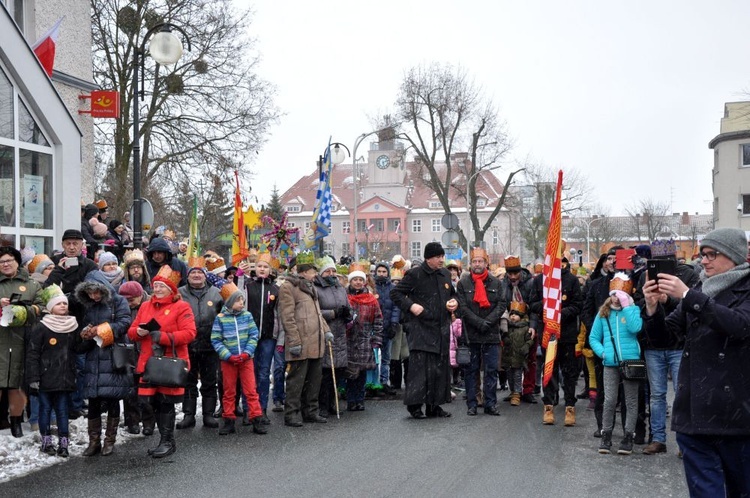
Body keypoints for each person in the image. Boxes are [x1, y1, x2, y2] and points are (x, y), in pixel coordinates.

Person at [643, 228, 750, 496]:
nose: (704, 261)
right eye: (703, 255)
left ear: (734, 257)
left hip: (737, 415)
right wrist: (652, 307)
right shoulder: (701, 287)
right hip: (695, 414)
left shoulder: (743, 289)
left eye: (712, 254)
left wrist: (689, 296)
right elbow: (665, 337)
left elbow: (739, 325)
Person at [634, 239, 700, 455]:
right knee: (657, 395)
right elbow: (639, 304)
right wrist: (651, 301)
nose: (661, 264)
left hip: (679, 343)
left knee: (683, 393)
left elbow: (692, 305)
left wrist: (667, 300)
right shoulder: (645, 274)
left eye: (665, 260)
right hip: (654, 344)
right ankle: (658, 438)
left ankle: (684, 441)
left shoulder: (688, 275)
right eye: (657, 261)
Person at [127, 266, 197, 458]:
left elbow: (190, 333)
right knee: (152, 402)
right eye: (155, 285)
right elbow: (132, 331)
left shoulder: (181, 306)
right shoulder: (145, 306)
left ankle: (168, 441)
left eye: (161, 286)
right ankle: (164, 440)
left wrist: (163, 337)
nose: (156, 289)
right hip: (149, 361)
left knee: (165, 402)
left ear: (171, 289)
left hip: (169, 363)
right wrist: (138, 332)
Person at [391, 242, 458, 419]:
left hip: (441, 329)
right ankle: (415, 407)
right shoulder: (415, 274)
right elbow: (396, 294)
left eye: (442, 256)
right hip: (420, 328)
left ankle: (434, 406)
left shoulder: (444, 274)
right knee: (419, 371)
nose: (441, 260)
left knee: (438, 370)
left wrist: (453, 302)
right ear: (428, 258)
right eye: (438, 257)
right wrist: (411, 306)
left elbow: (452, 294)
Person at [75, 271, 132, 457]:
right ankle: (94, 441)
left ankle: (110, 440)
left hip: (112, 355)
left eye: (96, 292)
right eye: (90, 293)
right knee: (93, 401)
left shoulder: (118, 301)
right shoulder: (89, 306)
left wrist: (101, 329)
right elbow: (85, 325)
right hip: (94, 356)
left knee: (113, 397)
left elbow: (124, 323)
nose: (94, 296)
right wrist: (86, 334)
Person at [589, 273, 643, 455]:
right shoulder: (603, 313)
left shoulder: (633, 310)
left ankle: (628, 436)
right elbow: (594, 337)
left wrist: (627, 307)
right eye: (614, 294)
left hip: (631, 361)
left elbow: (636, 328)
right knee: (609, 400)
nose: (616, 298)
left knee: (631, 400)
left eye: (620, 294)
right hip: (611, 363)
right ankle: (607, 434)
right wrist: (603, 353)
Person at [277, 257, 331, 426]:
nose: (315, 274)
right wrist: (294, 341)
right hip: (300, 340)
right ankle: (291, 413)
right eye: (313, 271)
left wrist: (326, 330)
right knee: (296, 381)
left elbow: (318, 314)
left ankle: (310, 411)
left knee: (314, 379)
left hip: (316, 340)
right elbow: (287, 317)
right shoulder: (288, 287)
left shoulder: (310, 287)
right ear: (304, 272)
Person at [26, 284, 79, 457]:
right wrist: (34, 377)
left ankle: (64, 444)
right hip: (45, 377)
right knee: (45, 410)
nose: (63, 306)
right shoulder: (41, 327)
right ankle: (46, 442)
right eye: (58, 304)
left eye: (65, 303)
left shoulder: (72, 326)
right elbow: (33, 353)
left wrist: (88, 337)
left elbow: (77, 349)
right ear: (50, 308)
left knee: (63, 411)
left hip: (64, 377)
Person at [211, 281, 267, 436]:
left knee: (250, 390)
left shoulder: (247, 316)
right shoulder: (220, 318)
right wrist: (227, 356)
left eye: (242, 300)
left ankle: (256, 418)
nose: (241, 303)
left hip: (246, 360)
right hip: (228, 362)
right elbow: (216, 339)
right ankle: (228, 419)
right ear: (229, 302)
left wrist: (247, 353)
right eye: (238, 300)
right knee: (229, 391)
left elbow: (253, 335)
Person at [455, 247, 505, 416]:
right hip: (471, 334)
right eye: (475, 261)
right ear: (471, 264)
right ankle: (472, 404)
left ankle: (491, 403)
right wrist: (477, 322)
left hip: (491, 333)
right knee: (471, 370)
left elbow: (501, 305)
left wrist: (488, 322)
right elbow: (462, 306)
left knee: (491, 370)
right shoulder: (463, 283)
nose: (477, 264)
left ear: (486, 263)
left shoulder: (496, 283)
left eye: (480, 261)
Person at [534, 257, 583, 426]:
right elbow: (532, 303)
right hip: (548, 333)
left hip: (567, 334)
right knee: (548, 371)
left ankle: (570, 406)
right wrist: (548, 307)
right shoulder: (540, 279)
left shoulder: (571, 279)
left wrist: (560, 314)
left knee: (569, 373)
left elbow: (578, 305)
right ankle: (548, 406)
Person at [0, 246, 44, 437]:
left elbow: (42, 307)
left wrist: (23, 310)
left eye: (9, 260)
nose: (6, 264)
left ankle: (16, 421)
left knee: (17, 383)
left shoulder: (31, 284)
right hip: (1, 339)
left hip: (23, 338)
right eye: (2, 262)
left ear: (17, 262)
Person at [176, 259, 223, 430]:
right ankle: (189, 415)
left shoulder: (216, 293)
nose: (196, 275)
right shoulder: (179, 293)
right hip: (186, 345)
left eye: (200, 272)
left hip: (210, 345)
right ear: (188, 277)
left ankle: (208, 415)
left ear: (205, 275)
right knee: (188, 381)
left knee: (210, 381)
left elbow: (225, 316)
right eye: (193, 273)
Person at [244, 253, 279, 424]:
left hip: (267, 337)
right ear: (255, 268)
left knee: (264, 373)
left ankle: (262, 408)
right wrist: (238, 276)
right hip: (248, 337)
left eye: (265, 267)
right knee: (248, 373)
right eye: (259, 266)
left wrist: (277, 335)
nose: (262, 269)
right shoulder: (247, 285)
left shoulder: (275, 289)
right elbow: (234, 293)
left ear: (270, 270)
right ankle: (248, 409)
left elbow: (278, 313)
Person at [313, 256, 350, 418]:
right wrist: (333, 313)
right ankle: (322, 405)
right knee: (325, 373)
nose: (332, 273)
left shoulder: (341, 288)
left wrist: (348, 314)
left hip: (340, 334)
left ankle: (333, 402)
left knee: (338, 371)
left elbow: (347, 307)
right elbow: (315, 312)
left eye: (333, 270)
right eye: (328, 271)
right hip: (325, 333)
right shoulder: (316, 289)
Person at [500, 255, 540, 404]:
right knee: (511, 359)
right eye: (509, 274)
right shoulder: (503, 284)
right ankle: (514, 390)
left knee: (530, 359)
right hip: (510, 326)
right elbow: (502, 305)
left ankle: (528, 390)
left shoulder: (530, 283)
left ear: (520, 272)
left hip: (527, 324)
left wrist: (533, 327)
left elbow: (535, 307)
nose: (512, 277)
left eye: (515, 273)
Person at [118, 281, 155, 436]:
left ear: (140, 295)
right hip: (128, 352)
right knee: (130, 390)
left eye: (131, 300)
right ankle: (132, 421)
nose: (128, 303)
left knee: (146, 390)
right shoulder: (120, 307)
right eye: (125, 300)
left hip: (146, 352)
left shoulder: (150, 305)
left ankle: (148, 422)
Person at [345, 263, 383, 411]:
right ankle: (350, 399)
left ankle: (360, 399)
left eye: (360, 280)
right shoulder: (345, 297)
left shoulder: (371, 299)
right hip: (348, 339)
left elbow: (378, 320)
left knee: (361, 372)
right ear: (350, 281)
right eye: (355, 280)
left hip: (364, 339)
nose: (358, 282)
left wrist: (377, 339)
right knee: (350, 372)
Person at [374, 262, 400, 395]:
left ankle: (384, 382)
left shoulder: (392, 288)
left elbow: (396, 307)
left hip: (388, 326)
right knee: (374, 358)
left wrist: (394, 324)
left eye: (384, 272)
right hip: (374, 328)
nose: (382, 274)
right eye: (379, 271)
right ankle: (373, 383)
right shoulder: (372, 287)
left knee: (386, 358)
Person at [502, 302, 534, 406]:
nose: (513, 317)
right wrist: (505, 338)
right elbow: (503, 336)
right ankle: (512, 391)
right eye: (511, 315)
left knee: (517, 375)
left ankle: (517, 393)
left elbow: (529, 340)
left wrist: (526, 346)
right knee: (509, 376)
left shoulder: (525, 328)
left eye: (515, 315)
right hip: (508, 356)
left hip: (519, 356)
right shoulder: (508, 328)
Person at [388, 265, 409, 390]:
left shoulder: (408, 293)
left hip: (406, 326)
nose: (396, 283)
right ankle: (395, 382)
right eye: (394, 281)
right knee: (394, 356)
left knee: (407, 356)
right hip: (396, 327)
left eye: (399, 282)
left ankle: (408, 381)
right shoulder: (392, 293)